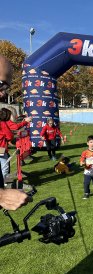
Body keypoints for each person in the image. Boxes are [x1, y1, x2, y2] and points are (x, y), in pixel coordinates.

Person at [0, 54, 28, 209]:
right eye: (1, 85)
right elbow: (11, 132)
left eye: (6, 88)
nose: (3, 93)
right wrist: (2, 195)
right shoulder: (3, 123)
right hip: (2, 151)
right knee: (4, 168)